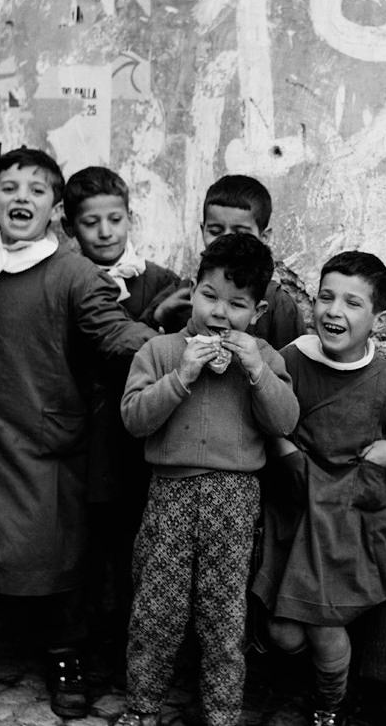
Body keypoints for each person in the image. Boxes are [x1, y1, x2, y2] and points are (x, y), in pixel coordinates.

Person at [0, 147, 157, 719]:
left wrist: (176, 347)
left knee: (56, 555)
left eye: (37, 190)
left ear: (55, 209)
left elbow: (113, 334)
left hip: (46, 443)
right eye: (10, 189)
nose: (23, 198)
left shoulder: (74, 273)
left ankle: (65, 657)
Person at [117, 232, 299, 726]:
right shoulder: (159, 351)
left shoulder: (265, 359)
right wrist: (180, 377)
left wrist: (258, 371)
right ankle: (142, 706)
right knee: (157, 607)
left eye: (237, 304)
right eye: (209, 296)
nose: (220, 312)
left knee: (223, 615)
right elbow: (134, 419)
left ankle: (222, 713)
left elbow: (284, 422)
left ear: (257, 310)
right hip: (170, 495)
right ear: (192, 289)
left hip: (235, 500)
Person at [251, 250, 386, 726]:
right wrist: (280, 446)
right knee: (285, 633)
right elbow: (264, 411)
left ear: (377, 317)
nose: (334, 312)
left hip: (352, 518)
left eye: (352, 303)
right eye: (326, 297)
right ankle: (283, 672)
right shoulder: (289, 360)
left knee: (325, 628)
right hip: (295, 510)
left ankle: (329, 708)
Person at [60, 166, 180, 679]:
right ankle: (85, 652)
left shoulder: (160, 281)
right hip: (88, 440)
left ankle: (138, 661)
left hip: (143, 443)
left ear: (130, 218)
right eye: (91, 223)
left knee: (140, 549)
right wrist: (151, 321)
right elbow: (97, 352)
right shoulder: (67, 281)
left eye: (115, 219)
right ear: (70, 228)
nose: (105, 232)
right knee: (89, 550)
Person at [144, 174, 305, 349]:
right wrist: (158, 316)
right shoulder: (181, 292)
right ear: (202, 230)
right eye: (215, 231)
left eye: (241, 232)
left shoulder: (278, 303)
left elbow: (291, 366)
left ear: (264, 237)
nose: (227, 240)